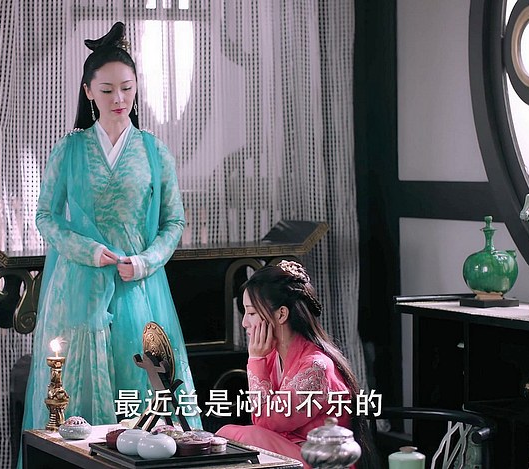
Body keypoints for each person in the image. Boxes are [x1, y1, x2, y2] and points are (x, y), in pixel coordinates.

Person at [21, 21, 202, 440]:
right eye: (106, 90)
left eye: (127, 88)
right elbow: (46, 215)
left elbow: (173, 222)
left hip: (138, 288)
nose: (119, 99)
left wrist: (144, 262)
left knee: (143, 395)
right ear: (88, 92)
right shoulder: (69, 150)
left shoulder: (154, 152)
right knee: (70, 404)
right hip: (77, 289)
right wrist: (87, 250)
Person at [216, 260, 378, 469]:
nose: (244, 322)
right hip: (295, 453)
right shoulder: (273, 355)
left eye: (252, 313)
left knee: (236, 437)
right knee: (227, 437)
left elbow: (264, 421)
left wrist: (255, 360)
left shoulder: (316, 367)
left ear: (281, 314)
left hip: (324, 462)